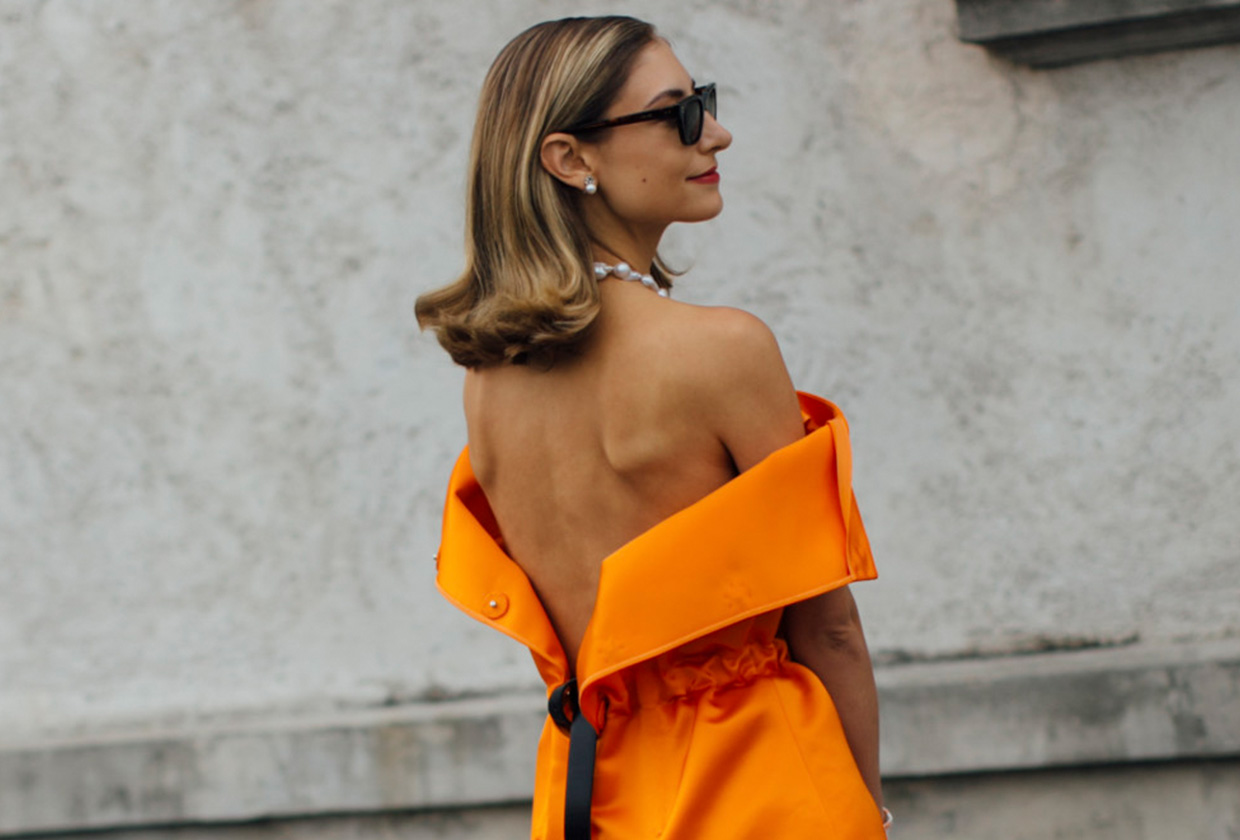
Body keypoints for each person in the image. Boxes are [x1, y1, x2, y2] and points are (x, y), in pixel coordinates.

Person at [417, 15, 891, 840]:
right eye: (677, 112)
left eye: (701, 102)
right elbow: (828, 626)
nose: (716, 132)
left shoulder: (488, 383)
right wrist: (870, 811)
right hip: (759, 783)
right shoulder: (722, 351)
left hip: (590, 794)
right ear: (570, 158)